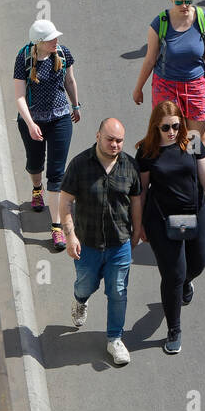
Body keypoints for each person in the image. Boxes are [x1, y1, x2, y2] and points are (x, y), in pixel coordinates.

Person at [136, 101, 205, 354]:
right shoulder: (146, 151)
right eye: (166, 127)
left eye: (176, 125)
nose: (172, 132)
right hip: (161, 220)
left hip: (195, 214)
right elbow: (141, 191)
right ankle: (174, 329)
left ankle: (186, 282)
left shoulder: (192, 142)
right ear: (156, 126)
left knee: (198, 263)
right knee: (172, 275)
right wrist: (139, 223)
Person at [58, 118, 144, 367]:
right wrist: (70, 235)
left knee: (118, 291)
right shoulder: (80, 164)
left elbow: (136, 200)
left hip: (120, 243)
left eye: (119, 141)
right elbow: (65, 202)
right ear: (98, 136)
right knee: (86, 285)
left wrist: (137, 230)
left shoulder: (129, 165)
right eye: (110, 139)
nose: (115, 145)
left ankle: (115, 338)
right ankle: (80, 300)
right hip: (88, 244)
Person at [14, 18, 81, 246]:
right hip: (32, 120)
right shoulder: (23, 58)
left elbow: (70, 81)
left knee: (57, 172)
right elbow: (19, 96)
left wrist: (76, 105)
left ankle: (56, 227)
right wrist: (31, 123)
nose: (57, 41)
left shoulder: (63, 53)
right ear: (39, 42)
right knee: (35, 163)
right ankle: (36, 189)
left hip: (61, 118)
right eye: (52, 38)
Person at [132, 0, 205, 144]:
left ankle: (192, 167)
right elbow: (150, 59)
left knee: (194, 139)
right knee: (168, 135)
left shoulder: (204, 20)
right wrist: (138, 88)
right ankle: (170, 166)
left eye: (188, 1)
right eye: (179, 2)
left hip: (195, 85)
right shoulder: (160, 23)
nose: (184, 6)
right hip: (166, 84)